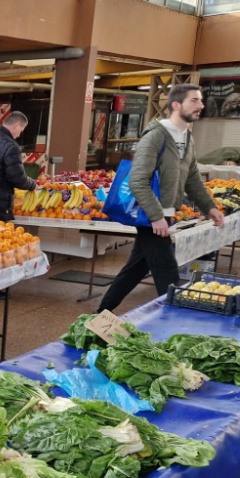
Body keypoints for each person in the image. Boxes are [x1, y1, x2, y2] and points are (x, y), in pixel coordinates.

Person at [98, 84, 224, 313]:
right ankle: (177, 326)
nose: (201, 106)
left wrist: (209, 207)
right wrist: (156, 217)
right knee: (168, 276)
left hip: (164, 217)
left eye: (200, 101)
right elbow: (137, 180)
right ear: (176, 105)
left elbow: (192, 178)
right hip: (152, 217)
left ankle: (100, 314)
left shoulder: (187, 137)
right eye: (194, 101)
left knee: (136, 268)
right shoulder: (156, 136)